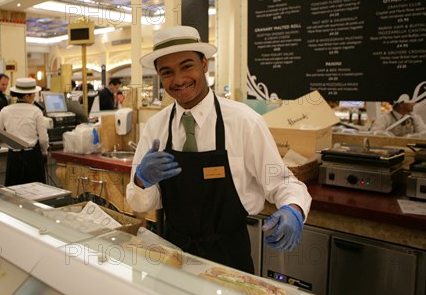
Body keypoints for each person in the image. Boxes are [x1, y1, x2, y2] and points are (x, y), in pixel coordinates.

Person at [126, 26, 311, 274]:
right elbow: (141, 203)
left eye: (187, 66)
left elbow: (282, 183)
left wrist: (293, 209)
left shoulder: (244, 122)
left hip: (229, 257)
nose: (178, 80)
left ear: (204, 64)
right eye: (167, 72)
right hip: (172, 254)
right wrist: (141, 180)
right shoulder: (155, 127)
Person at [0, 77, 48, 186]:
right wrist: (44, 150)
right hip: (32, 156)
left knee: (14, 193)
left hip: (13, 157)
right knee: (37, 192)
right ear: (26, 96)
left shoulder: (5, 110)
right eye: (33, 94)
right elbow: (43, 138)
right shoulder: (36, 111)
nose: (34, 97)